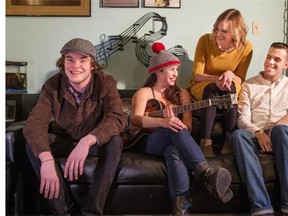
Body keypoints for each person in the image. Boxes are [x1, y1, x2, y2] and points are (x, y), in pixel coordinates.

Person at [23, 38, 127, 216]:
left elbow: (116, 118)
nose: (75, 65)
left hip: (95, 143)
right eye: (70, 59)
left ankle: (92, 212)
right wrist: (46, 159)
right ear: (63, 63)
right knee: (33, 144)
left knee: (115, 141)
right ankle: (64, 210)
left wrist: (87, 141)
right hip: (65, 139)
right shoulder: (52, 85)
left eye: (83, 60)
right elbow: (34, 123)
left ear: (92, 65)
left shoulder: (106, 83)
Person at [131, 41, 233, 216]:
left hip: (173, 140)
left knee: (173, 151)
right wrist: (163, 122)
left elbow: (188, 126)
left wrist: (172, 121)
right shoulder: (145, 93)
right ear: (158, 71)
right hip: (148, 141)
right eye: (172, 69)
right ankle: (206, 173)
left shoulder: (182, 95)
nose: (176, 74)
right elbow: (136, 119)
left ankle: (180, 208)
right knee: (171, 127)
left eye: (177, 70)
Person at [230, 42, 288, 216]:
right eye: (269, 57)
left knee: (280, 131)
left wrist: (281, 123)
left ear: (286, 64)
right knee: (238, 136)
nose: (270, 62)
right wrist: (258, 133)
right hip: (256, 133)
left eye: (277, 59)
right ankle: (262, 207)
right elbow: (242, 118)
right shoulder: (249, 85)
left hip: (282, 134)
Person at [188, 8, 253, 156]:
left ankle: (229, 139)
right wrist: (216, 79)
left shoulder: (246, 47)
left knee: (229, 86)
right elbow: (196, 75)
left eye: (224, 31)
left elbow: (240, 78)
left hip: (230, 85)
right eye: (217, 29)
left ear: (235, 33)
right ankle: (206, 141)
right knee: (212, 88)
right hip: (204, 85)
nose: (218, 34)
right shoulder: (205, 40)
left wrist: (229, 74)